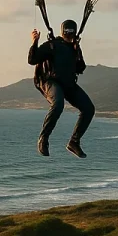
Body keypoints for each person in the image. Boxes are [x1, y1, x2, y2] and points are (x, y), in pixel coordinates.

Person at [28, 20, 95, 158]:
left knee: (89, 108)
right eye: (68, 33)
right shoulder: (52, 45)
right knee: (58, 104)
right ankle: (43, 139)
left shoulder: (74, 48)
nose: (70, 35)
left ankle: (74, 142)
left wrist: (78, 51)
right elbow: (32, 59)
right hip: (51, 82)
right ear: (64, 32)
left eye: (72, 33)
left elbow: (80, 68)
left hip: (68, 84)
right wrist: (35, 42)